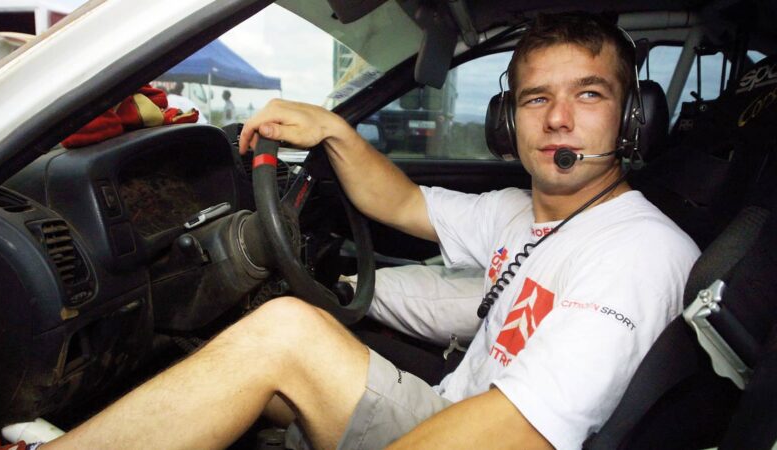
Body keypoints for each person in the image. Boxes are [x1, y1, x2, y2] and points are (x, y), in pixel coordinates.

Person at [41, 12, 698, 450]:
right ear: (508, 123)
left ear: (633, 120)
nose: (558, 119)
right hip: (447, 406)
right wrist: (333, 131)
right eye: (535, 99)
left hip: (469, 434)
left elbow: (515, 433)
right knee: (254, 355)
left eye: (588, 94)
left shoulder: (637, 251)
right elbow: (406, 201)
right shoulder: (518, 213)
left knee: (283, 333)